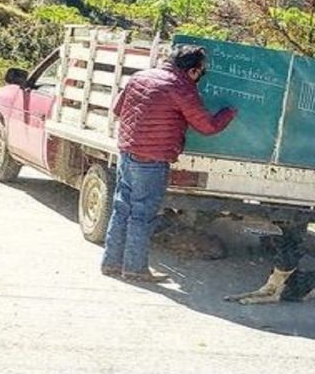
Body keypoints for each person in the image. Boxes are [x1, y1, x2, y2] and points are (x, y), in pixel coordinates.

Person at [101, 45, 237, 282]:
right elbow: (207, 126)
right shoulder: (181, 88)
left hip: (127, 151)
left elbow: (117, 109)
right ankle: (135, 268)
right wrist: (228, 112)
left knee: (122, 208)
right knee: (142, 214)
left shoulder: (139, 77)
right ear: (193, 71)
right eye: (201, 72)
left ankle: (111, 263)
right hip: (153, 158)